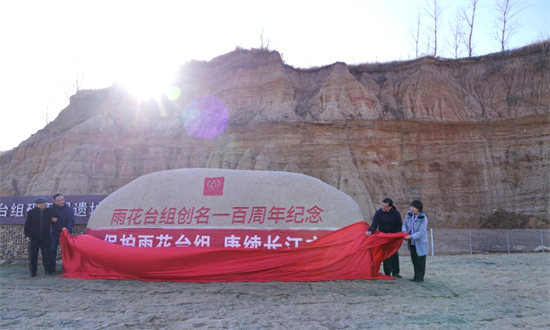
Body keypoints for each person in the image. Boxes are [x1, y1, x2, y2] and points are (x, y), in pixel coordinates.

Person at [365, 197, 403, 278]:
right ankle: (387, 273)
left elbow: (399, 225)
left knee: (394, 254)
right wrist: (370, 231)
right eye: (382, 205)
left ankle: (396, 272)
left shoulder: (396, 213)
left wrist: (396, 235)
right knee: (386, 255)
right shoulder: (378, 213)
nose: (383, 208)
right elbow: (374, 224)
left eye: (385, 206)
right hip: (383, 237)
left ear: (390, 207)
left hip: (393, 237)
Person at [24, 197, 57, 277]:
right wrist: (27, 235)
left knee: (46, 254)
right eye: (42, 203)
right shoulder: (31, 212)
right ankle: (33, 272)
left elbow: (55, 222)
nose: (44, 204)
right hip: (33, 237)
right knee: (33, 255)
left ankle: (47, 270)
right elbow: (27, 225)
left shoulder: (50, 211)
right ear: (37, 204)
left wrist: (55, 220)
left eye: (45, 203)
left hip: (46, 237)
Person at [402, 200, 428, 283]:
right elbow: (404, 224)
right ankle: (415, 276)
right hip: (411, 242)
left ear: (419, 209)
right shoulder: (409, 214)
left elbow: (422, 231)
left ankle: (420, 278)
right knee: (414, 259)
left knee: (420, 260)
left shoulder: (423, 217)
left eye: (414, 207)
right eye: (412, 207)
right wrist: (404, 232)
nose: (412, 209)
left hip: (420, 242)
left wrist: (411, 236)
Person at [49, 194, 75, 273]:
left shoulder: (68, 209)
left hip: (66, 233)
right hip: (55, 233)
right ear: (54, 201)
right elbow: (46, 220)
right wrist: (51, 220)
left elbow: (71, 221)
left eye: (62, 200)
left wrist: (67, 230)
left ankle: (66, 267)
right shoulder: (50, 209)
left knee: (66, 251)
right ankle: (51, 268)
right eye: (59, 200)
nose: (61, 202)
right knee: (52, 249)